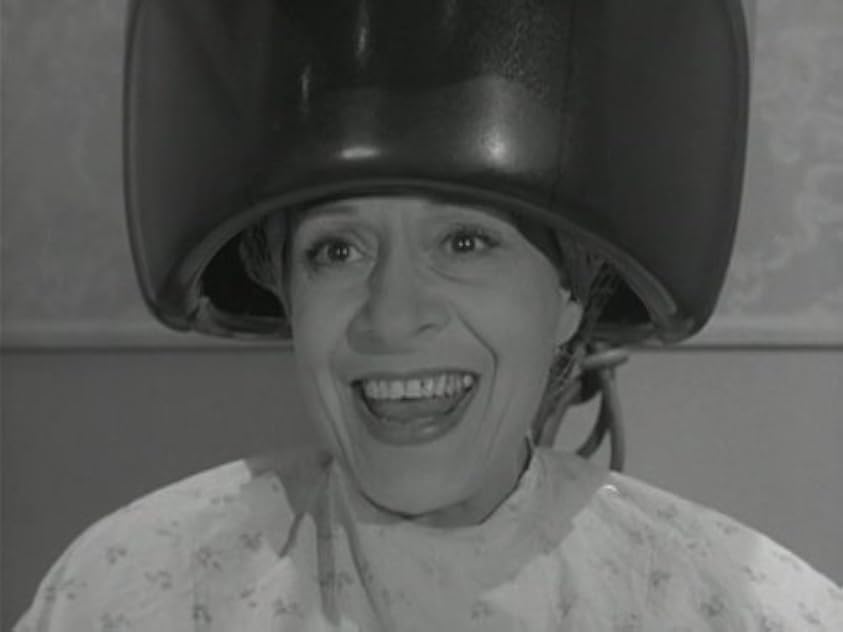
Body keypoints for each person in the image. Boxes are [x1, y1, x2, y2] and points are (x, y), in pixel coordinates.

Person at [16, 0, 843, 630]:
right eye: (336, 251)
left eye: (466, 241)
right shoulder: (125, 592)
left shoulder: (748, 610)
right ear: (287, 295)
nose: (390, 316)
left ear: (569, 296)